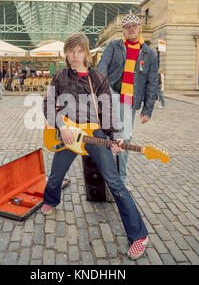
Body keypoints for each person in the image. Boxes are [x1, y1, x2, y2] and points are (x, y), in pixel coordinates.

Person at [42, 33, 149, 260]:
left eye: (79, 50)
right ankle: (51, 200)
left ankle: (139, 236)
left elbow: (108, 109)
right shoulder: (60, 76)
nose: (75, 55)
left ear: (86, 53)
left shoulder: (98, 77)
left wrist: (116, 136)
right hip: (68, 135)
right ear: (66, 53)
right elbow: (48, 103)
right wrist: (61, 126)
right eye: (71, 51)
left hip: (94, 134)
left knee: (115, 182)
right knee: (55, 176)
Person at [97, 14, 158, 189]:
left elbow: (152, 82)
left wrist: (148, 110)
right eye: (127, 26)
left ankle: (121, 179)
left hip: (130, 101)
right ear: (123, 30)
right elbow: (102, 66)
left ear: (140, 28)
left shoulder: (149, 53)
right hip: (111, 95)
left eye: (134, 25)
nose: (131, 29)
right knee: (106, 136)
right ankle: (105, 175)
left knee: (126, 138)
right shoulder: (114, 46)